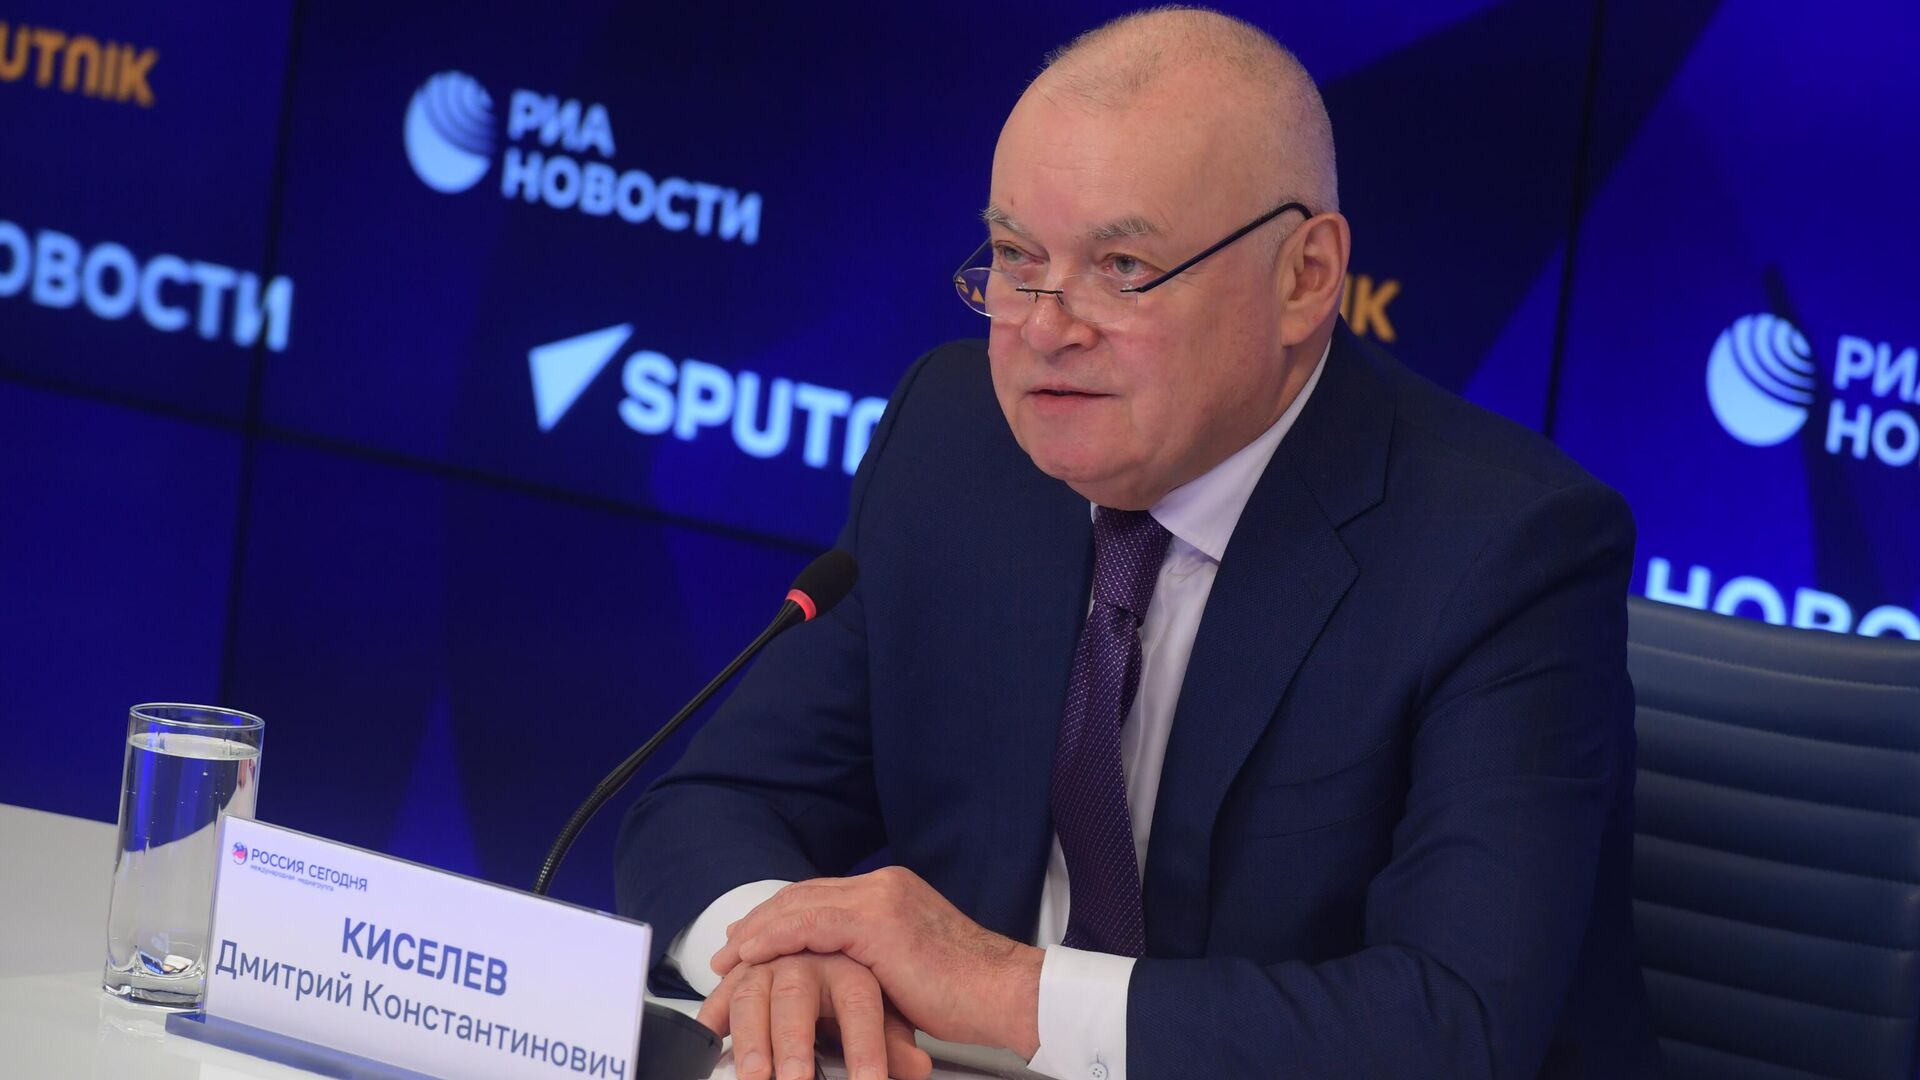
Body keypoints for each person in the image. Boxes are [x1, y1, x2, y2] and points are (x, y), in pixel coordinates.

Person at [615, 7, 1660, 1079]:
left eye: (1122, 266)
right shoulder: (955, 442)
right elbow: (709, 808)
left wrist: (1000, 988)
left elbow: (1452, 1027)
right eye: (1016, 256)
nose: (1045, 326)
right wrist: (785, 951)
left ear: (1304, 277)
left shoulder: (1503, 550)